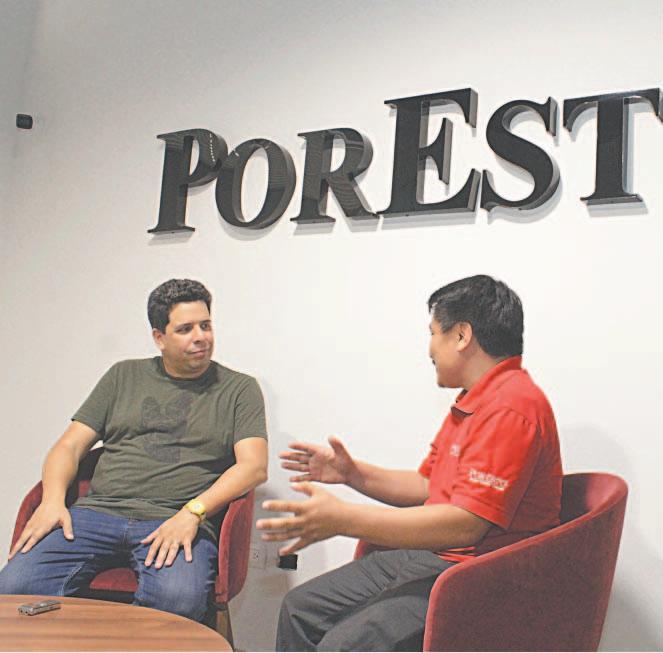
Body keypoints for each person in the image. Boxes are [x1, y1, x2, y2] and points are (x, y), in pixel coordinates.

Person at [257, 274, 562, 652]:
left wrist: (344, 520)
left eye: (433, 333)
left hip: (478, 576)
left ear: (461, 335)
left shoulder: (512, 406)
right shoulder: (476, 399)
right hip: (437, 557)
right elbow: (427, 486)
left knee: (342, 646)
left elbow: (466, 525)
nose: (430, 348)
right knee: (299, 608)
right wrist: (353, 474)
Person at [0, 278, 268, 622]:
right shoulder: (123, 375)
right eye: (185, 329)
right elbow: (69, 446)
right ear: (159, 337)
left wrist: (193, 512)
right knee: (14, 587)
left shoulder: (239, 389)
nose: (201, 337)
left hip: (174, 517)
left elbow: (253, 466)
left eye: (206, 325)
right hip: (96, 514)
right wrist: (52, 500)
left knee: (177, 601)